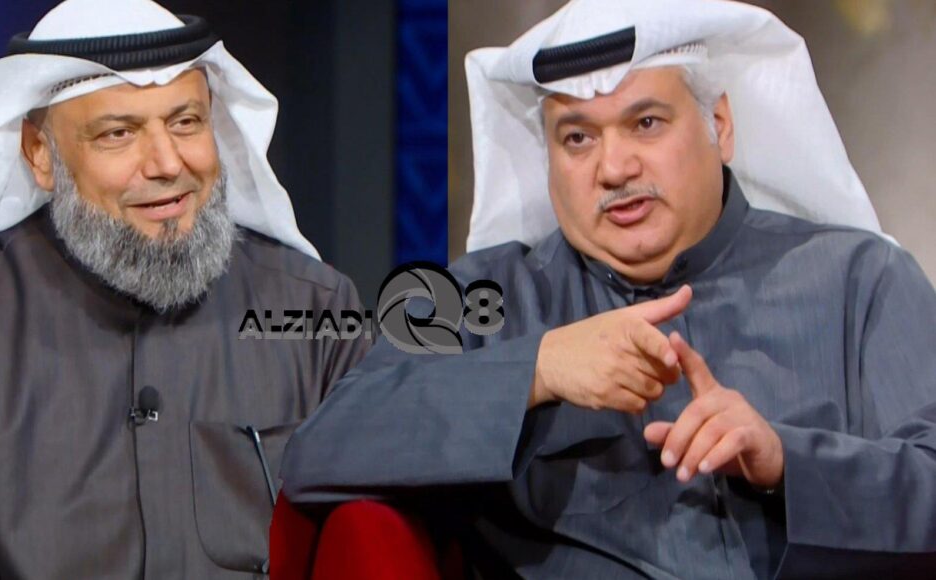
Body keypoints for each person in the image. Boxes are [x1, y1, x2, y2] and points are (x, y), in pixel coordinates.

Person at [281, 0, 936, 577]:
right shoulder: (488, 298)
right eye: (577, 138)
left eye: (646, 123)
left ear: (721, 126)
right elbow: (321, 451)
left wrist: (787, 461)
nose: (614, 167)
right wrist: (538, 369)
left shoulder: (860, 281)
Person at [0, 0, 369, 577]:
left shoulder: (313, 310)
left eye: (185, 122)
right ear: (39, 155)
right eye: (118, 134)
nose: (166, 163)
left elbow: (370, 540)